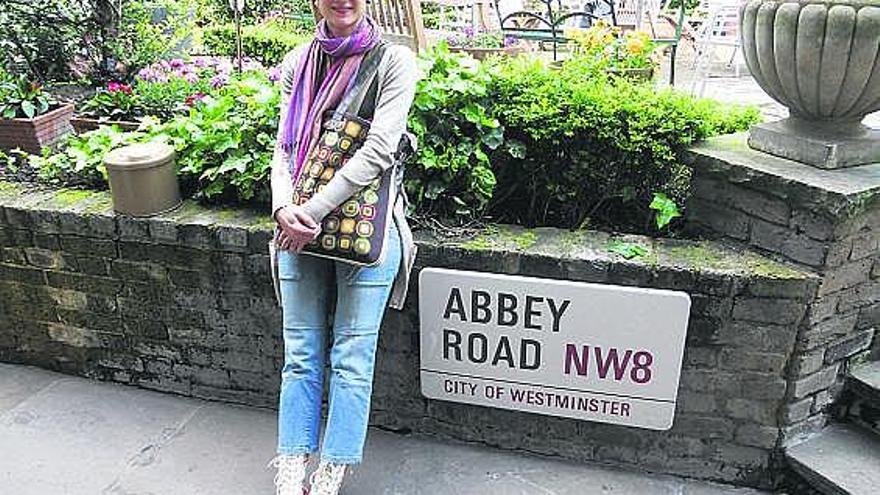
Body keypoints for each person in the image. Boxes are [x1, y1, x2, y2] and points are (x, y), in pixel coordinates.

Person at [266, 0, 418, 494]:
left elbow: (379, 149)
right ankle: (292, 466)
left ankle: (332, 469)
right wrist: (282, 206)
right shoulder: (298, 61)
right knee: (301, 354)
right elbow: (285, 146)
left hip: (366, 230)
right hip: (296, 227)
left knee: (352, 357)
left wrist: (309, 212)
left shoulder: (394, 61)